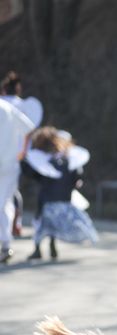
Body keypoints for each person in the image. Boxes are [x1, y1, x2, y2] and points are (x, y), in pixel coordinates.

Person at [21, 126, 98, 260]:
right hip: (64, 199)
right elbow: (77, 178)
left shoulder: (44, 160)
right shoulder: (71, 161)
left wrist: (23, 161)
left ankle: (38, 250)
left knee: (42, 226)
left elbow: (33, 174)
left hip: (47, 200)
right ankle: (52, 247)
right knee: (54, 225)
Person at [1, 70, 44, 237]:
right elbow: (29, 130)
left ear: (4, 90)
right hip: (14, 160)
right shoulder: (21, 106)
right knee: (10, 195)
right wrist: (24, 151)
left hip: (8, 159)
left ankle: (7, 234)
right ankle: (15, 225)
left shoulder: (5, 105)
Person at [0, 98, 34, 263]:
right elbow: (29, 129)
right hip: (10, 165)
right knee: (5, 203)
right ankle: (6, 244)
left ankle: (5, 245)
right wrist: (23, 152)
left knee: (4, 204)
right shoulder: (9, 108)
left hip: (8, 164)